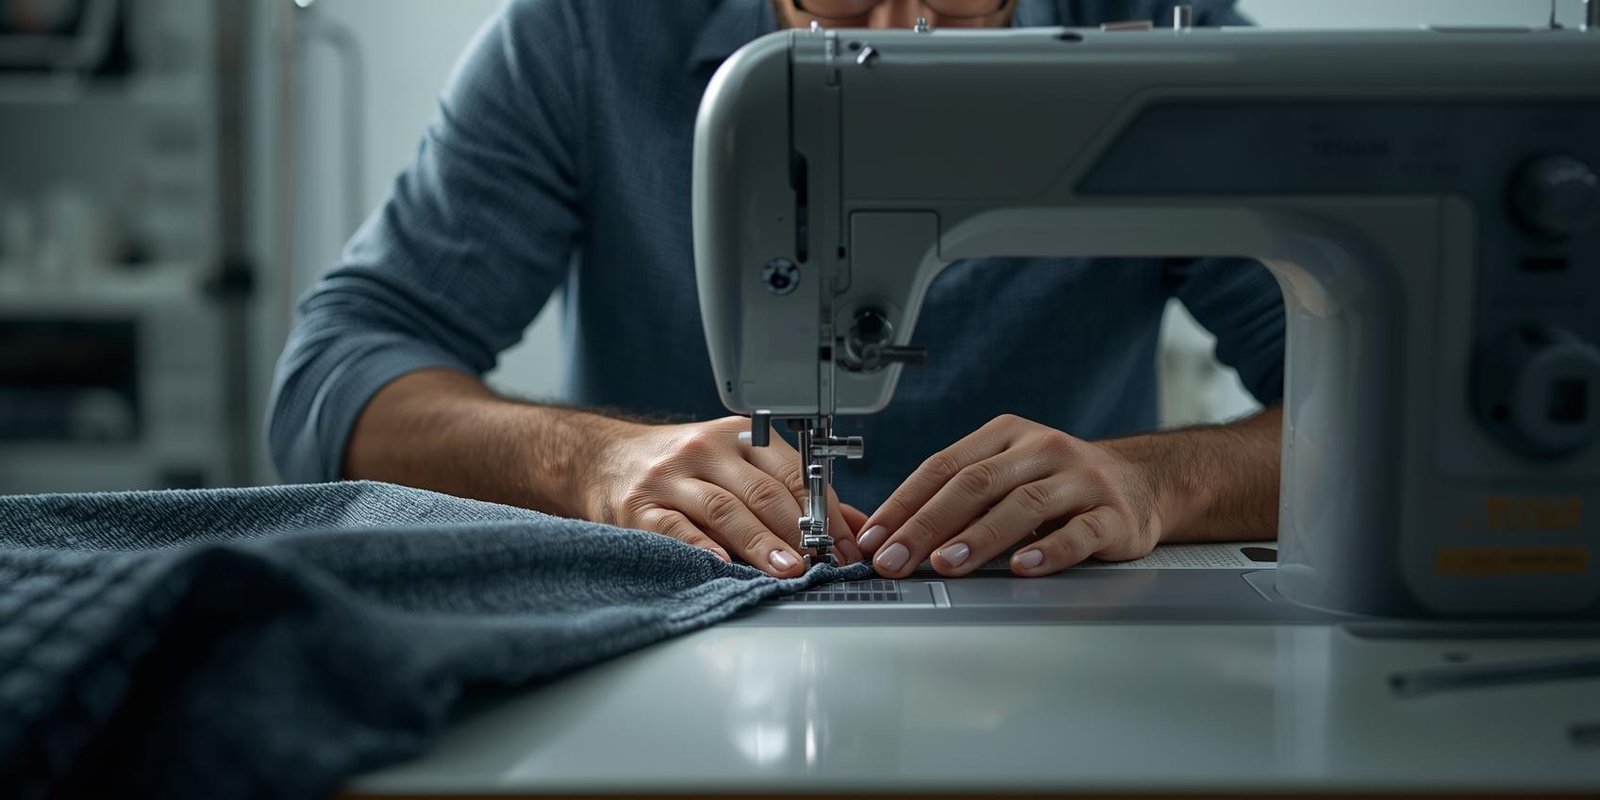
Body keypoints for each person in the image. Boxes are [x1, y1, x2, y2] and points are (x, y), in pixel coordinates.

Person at [269, 0, 1284, 583]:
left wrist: (1164, 481)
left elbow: (1403, 416)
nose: (895, 37)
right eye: (838, 8)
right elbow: (336, 375)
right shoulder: (588, 34)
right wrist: (593, 461)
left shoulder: (1161, 39)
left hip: (1068, 646)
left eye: (957, 9)